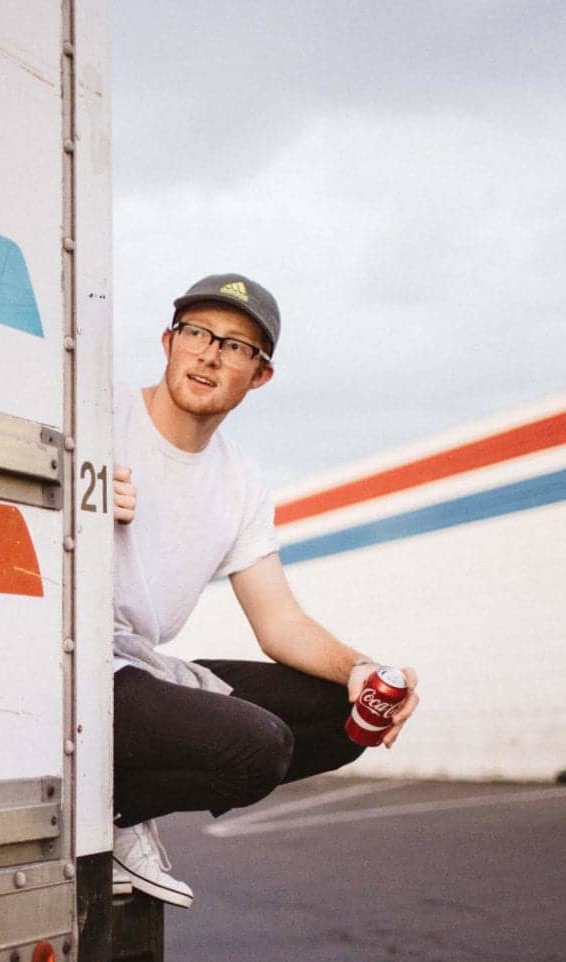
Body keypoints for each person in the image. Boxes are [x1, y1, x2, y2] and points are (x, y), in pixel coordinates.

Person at [109, 272, 419, 907]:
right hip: (74, 665)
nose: (210, 354)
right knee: (257, 747)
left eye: (235, 346)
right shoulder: (96, 415)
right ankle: (110, 812)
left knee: (346, 719)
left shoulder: (241, 481)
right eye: (197, 333)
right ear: (168, 341)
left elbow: (280, 623)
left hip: (141, 667)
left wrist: (361, 669)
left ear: (259, 375)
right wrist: (75, 493)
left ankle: (119, 807)